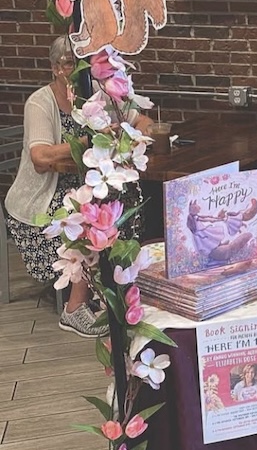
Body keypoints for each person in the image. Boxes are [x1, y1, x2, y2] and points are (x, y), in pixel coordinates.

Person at [4, 36, 150, 338]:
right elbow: (40, 158)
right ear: (56, 68)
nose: (77, 70)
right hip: (42, 204)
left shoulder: (95, 94)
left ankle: (119, 288)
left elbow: (139, 119)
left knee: (128, 199)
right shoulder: (40, 102)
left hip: (85, 184)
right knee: (91, 216)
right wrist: (87, 142)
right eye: (70, 63)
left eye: (82, 63)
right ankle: (73, 309)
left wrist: (139, 133)